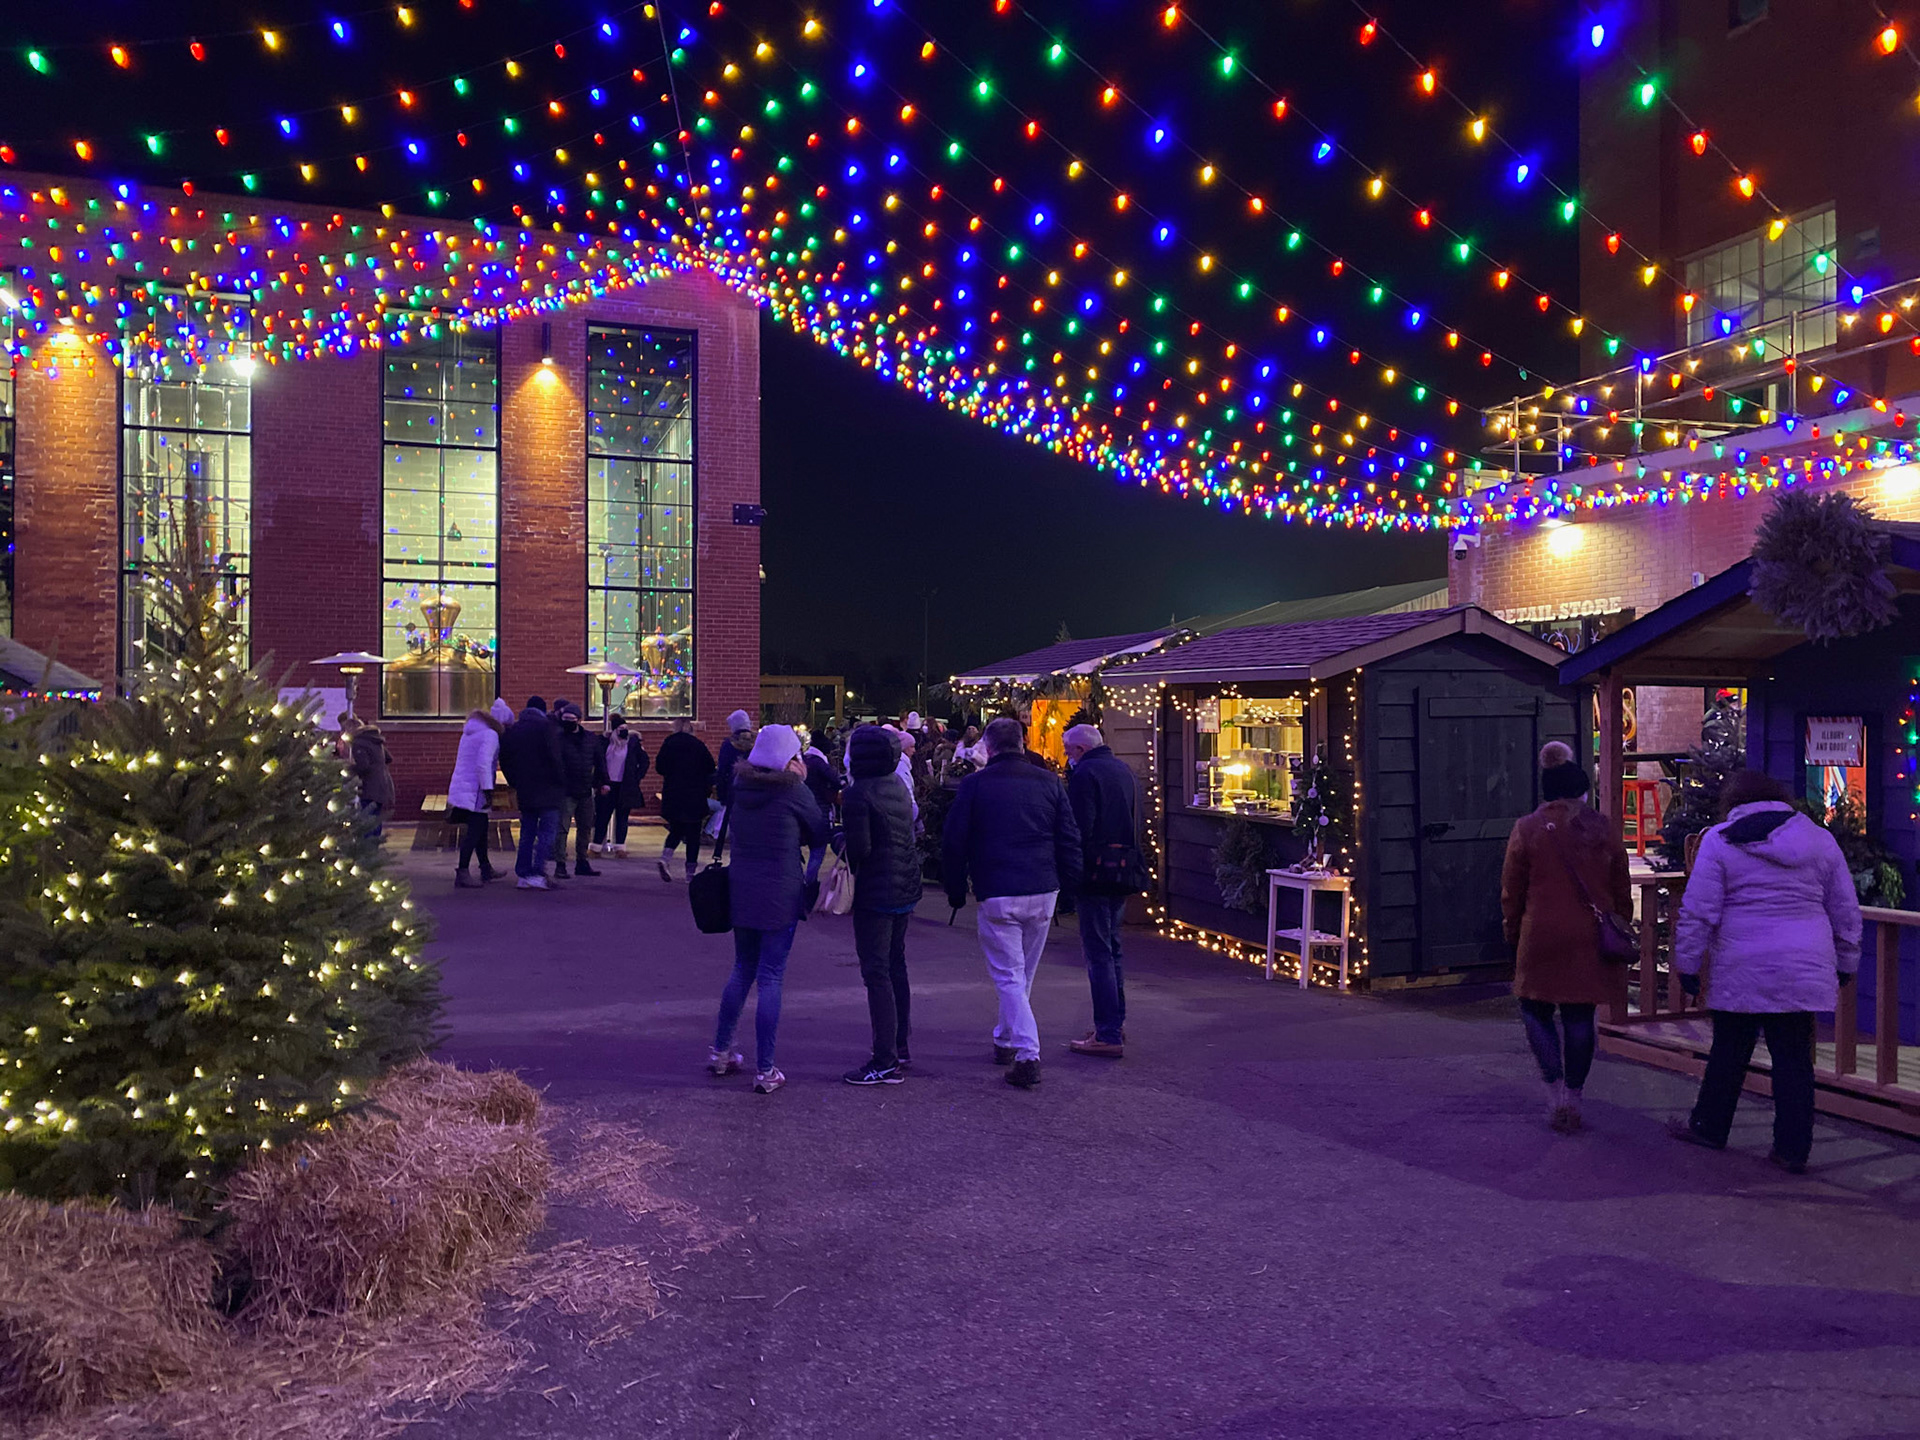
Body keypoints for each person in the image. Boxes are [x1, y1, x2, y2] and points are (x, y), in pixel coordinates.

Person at [1668, 769, 1862, 1174]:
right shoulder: (1819, 840)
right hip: (1802, 964)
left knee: (1729, 1052)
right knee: (1793, 1059)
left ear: (1733, 804)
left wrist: (1687, 965)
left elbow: (1699, 911)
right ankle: (1792, 1149)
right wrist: (1846, 961)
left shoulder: (1720, 842)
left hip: (1742, 964)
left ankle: (1709, 1126)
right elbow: (1844, 909)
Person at [941, 716, 1083, 1090]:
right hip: (1042, 887)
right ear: (1023, 743)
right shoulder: (1050, 783)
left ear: (987, 747)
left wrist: (955, 888)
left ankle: (1026, 1051)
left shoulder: (974, 785)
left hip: (998, 887)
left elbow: (954, 841)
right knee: (1022, 974)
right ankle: (1006, 1039)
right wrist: (1070, 886)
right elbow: (1068, 838)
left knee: (1008, 975)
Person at [1499, 740, 1632, 1134]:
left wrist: (1512, 931)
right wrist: (1619, 922)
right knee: (1579, 1015)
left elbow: (1512, 890)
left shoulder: (1527, 829)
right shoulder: (1604, 830)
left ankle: (1553, 1089)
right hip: (1588, 936)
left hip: (1539, 932)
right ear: (1582, 790)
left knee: (1534, 1009)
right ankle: (1574, 1095)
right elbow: (1621, 887)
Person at [708, 724, 829, 1095]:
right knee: (771, 976)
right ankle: (766, 1069)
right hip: (781, 889)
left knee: (742, 968)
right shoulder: (794, 791)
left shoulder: (741, 786)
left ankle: (721, 1052)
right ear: (789, 757)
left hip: (741, 886)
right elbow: (819, 832)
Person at [840, 725, 922, 1086]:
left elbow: (860, 851)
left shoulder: (859, 794)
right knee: (896, 965)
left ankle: (884, 1059)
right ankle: (899, 1045)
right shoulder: (898, 787)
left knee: (876, 973)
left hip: (876, 891)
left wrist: (838, 839)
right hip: (905, 886)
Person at [1063, 723, 1142, 1059]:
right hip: (1126, 867)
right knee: (1113, 948)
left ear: (1079, 750)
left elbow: (1080, 828)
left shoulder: (1085, 776)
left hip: (1096, 872)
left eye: (1068, 752)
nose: (1067, 759)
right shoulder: (1124, 770)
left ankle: (1107, 1031)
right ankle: (1114, 1023)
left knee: (1098, 952)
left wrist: (1069, 869)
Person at [499, 696, 566, 891]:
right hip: (548, 789)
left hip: (525, 790)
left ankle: (523, 873)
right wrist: (561, 782)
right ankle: (538, 872)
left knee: (527, 832)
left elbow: (506, 760)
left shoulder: (513, 731)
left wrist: (515, 782)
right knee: (547, 832)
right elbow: (555, 759)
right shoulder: (547, 728)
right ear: (543, 710)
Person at [446, 697, 514, 887]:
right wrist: (487, 790)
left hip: (464, 786)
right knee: (475, 830)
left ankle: (485, 868)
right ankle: (463, 871)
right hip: (476, 790)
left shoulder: (470, 732)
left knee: (481, 828)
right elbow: (483, 764)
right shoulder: (490, 735)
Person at [654, 716, 716, 881]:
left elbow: (659, 767)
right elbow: (710, 767)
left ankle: (665, 858)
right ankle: (690, 873)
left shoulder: (668, 744)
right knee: (693, 834)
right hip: (694, 795)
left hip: (673, 794)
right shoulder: (698, 746)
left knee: (676, 829)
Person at [552, 702, 606, 878]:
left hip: (584, 789)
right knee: (562, 828)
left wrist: (603, 782)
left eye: (571, 719)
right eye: (565, 719)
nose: (567, 722)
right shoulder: (557, 739)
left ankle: (581, 861)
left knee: (585, 827)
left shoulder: (590, 739)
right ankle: (561, 863)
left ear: (579, 720)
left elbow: (599, 762)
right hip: (566, 791)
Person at [594, 716, 650, 858]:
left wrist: (636, 778)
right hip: (607, 785)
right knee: (602, 817)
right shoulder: (604, 743)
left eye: (626, 729)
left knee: (622, 817)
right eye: (621, 729)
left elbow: (644, 761)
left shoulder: (632, 744)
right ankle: (596, 846)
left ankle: (620, 847)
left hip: (625, 785)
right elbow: (598, 763)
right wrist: (600, 782)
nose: (624, 732)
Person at [713, 709, 756, 859]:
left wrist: (721, 793)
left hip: (732, 790)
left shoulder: (728, 744)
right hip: (751, 791)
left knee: (729, 825)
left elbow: (723, 770)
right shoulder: (755, 744)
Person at [347, 716, 396, 837]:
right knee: (375, 817)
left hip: (369, 786)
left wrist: (348, 768)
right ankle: (374, 845)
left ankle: (368, 848)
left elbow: (363, 766)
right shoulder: (374, 740)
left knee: (367, 817)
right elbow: (389, 758)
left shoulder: (358, 742)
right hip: (382, 784)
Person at [802, 733, 840, 822]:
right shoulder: (819, 762)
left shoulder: (804, 759)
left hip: (806, 798)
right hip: (821, 799)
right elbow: (834, 778)